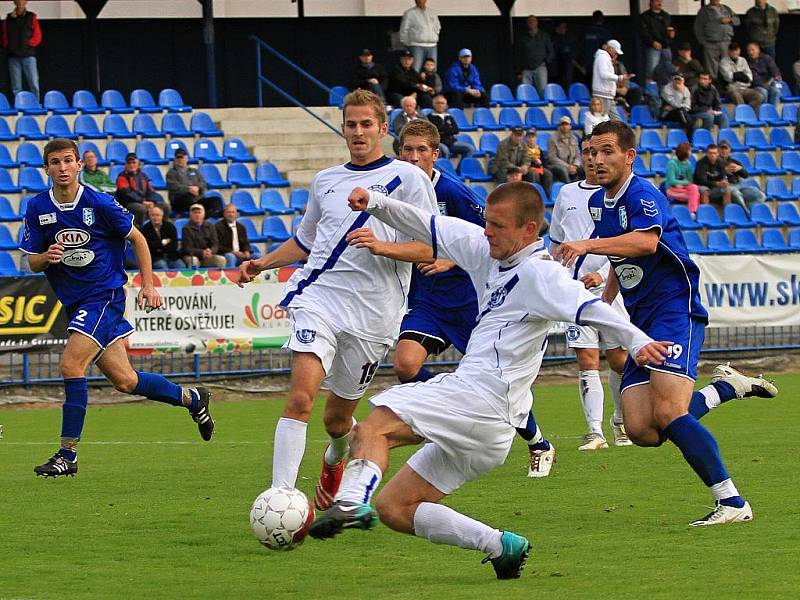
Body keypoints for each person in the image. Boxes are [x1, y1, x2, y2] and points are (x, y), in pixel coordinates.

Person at [307, 182, 669, 577]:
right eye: (487, 223)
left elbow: (590, 309)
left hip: (481, 397)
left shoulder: (540, 274)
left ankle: (349, 501)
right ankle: (501, 546)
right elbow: (429, 224)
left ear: (529, 230)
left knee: (373, 427)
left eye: (497, 225)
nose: (487, 231)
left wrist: (639, 342)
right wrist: (375, 202)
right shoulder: (486, 250)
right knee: (396, 508)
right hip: (492, 428)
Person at [554, 119, 778, 526]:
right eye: (592, 151)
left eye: (607, 151)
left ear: (629, 156)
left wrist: (586, 244)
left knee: (671, 413)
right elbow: (623, 262)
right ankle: (725, 389)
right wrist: (603, 304)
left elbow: (646, 242)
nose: (597, 160)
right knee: (643, 430)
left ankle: (732, 502)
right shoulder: (596, 204)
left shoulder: (642, 194)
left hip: (675, 310)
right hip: (641, 320)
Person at [236, 89, 438, 512]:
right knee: (301, 397)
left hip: (374, 315)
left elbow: (430, 247)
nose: (359, 132)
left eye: (367, 124)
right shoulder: (326, 181)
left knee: (336, 420)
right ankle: (283, 499)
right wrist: (264, 263)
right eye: (351, 124)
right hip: (320, 299)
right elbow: (306, 241)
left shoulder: (409, 178)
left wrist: (384, 247)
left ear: (383, 128)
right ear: (343, 128)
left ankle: (334, 458)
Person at [19, 139, 214, 477]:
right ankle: (192, 398)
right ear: (46, 168)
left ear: (80, 165)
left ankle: (68, 454)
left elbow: (138, 239)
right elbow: (31, 262)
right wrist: (43, 257)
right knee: (125, 380)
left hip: (104, 296)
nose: (62, 168)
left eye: (68, 161)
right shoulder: (38, 208)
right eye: (55, 162)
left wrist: (149, 284)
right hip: (77, 302)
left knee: (69, 365)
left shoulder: (100, 203)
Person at [549, 135, 632, 450]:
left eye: (596, 152)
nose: (591, 158)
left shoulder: (618, 194)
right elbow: (557, 241)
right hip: (576, 292)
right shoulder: (566, 193)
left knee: (620, 361)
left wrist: (603, 274)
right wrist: (561, 275)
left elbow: (628, 244)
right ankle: (595, 432)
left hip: (612, 286)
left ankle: (619, 422)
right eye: (586, 152)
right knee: (586, 359)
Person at [165, 147, 222, 217]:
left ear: (186, 158)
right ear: (175, 159)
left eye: (182, 157)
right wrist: (188, 189)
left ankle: (206, 215)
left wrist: (198, 188)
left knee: (216, 200)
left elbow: (203, 183)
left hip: (197, 199)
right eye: (178, 158)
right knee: (188, 198)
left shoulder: (194, 171)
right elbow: (174, 186)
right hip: (180, 201)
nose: (180, 160)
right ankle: (203, 215)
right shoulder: (171, 173)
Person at [2, 0, 41, 101]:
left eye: (22, 2)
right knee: (16, 86)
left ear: (26, 3)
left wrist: (28, 45)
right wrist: (9, 46)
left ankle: (36, 104)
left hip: (28, 55)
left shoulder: (31, 16)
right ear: (15, 3)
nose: (20, 4)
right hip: (13, 56)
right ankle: (19, 104)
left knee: (33, 83)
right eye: (18, 2)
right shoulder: (9, 18)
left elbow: (37, 35)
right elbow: (5, 35)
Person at [115, 152, 167, 228]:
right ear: (125, 165)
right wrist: (143, 202)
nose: (131, 165)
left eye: (134, 162)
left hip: (144, 202)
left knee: (165, 206)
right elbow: (126, 194)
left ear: (138, 163)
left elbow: (151, 191)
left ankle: (163, 229)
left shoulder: (143, 176)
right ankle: (141, 230)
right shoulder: (121, 177)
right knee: (141, 209)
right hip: (128, 204)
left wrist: (153, 202)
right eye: (129, 163)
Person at [694, 0, 739, 80]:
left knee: (726, 65)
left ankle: (726, 84)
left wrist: (729, 20)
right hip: (711, 43)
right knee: (712, 67)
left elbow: (737, 21)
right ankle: (713, 85)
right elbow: (698, 27)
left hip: (726, 42)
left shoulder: (726, 8)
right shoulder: (704, 11)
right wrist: (703, 42)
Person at [718, 140, 766, 213]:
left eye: (726, 148)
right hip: (726, 187)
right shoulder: (715, 162)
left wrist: (740, 169)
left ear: (729, 150)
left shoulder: (734, 161)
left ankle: (753, 210)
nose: (724, 151)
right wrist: (724, 170)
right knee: (735, 193)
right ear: (718, 149)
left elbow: (745, 175)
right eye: (722, 148)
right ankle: (746, 213)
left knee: (761, 195)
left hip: (739, 186)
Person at [399, 0, 441, 72]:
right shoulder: (409, 13)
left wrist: (434, 36)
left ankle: (431, 83)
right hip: (416, 45)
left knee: (432, 70)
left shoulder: (432, 13)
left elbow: (438, 27)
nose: (420, 1)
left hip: (432, 45)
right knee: (415, 69)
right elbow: (404, 29)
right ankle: (415, 83)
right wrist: (406, 43)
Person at [592, 40, 628, 122]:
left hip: (607, 94)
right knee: (599, 120)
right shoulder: (603, 57)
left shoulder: (605, 58)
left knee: (615, 120)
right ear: (611, 49)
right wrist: (619, 78)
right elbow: (603, 74)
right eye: (615, 51)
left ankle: (620, 134)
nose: (616, 54)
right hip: (603, 94)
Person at [427, 94, 472, 160]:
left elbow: (456, 130)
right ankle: (446, 169)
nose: (440, 105)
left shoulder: (449, 116)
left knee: (470, 148)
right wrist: (448, 129)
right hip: (438, 143)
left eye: (442, 103)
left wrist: (443, 130)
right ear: (433, 104)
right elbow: (435, 131)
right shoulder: (429, 117)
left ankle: (460, 169)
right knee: (445, 150)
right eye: (438, 103)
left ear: (446, 105)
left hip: (451, 142)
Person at [719, 42, 763, 109]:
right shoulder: (724, 62)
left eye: (736, 50)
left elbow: (750, 77)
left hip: (744, 88)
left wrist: (739, 76)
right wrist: (741, 75)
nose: (734, 52)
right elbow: (729, 77)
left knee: (759, 96)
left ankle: (747, 111)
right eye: (732, 50)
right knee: (736, 94)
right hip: (732, 88)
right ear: (729, 51)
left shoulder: (743, 60)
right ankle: (743, 113)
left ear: (739, 51)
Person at [517, 14, 554, 95]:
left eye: (533, 21)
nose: (531, 23)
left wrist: (545, 61)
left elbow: (551, 52)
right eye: (529, 22)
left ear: (537, 23)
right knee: (526, 92)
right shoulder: (523, 37)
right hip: (526, 69)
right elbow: (518, 54)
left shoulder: (544, 36)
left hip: (540, 67)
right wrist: (519, 70)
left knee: (542, 91)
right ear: (527, 23)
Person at [180, 203, 226, 268]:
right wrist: (202, 252)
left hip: (208, 255)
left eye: (199, 212)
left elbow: (215, 243)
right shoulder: (186, 228)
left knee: (221, 260)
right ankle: (193, 278)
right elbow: (187, 248)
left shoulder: (210, 226)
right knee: (194, 261)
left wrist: (211, 251)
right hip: (192, 255)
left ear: (203, 214)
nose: (197, 215)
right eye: (195, 213)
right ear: (190, 215)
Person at [640, 0, 675, 82]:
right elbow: (643, 33)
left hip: (666, 46)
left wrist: (671, 35)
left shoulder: (666, 15)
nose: (659, 3)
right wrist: (652, 42)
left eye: (660, 1)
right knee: (652, 71)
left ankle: (666, 92)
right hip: (653, 47)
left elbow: (671, 28)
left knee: (667, 70)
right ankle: (651, 92)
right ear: (651, 2)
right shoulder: (645, 16)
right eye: (657, 1)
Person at [665, 142, 703, 216]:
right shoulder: (672, 163)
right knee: (696, 196)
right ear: (685, 151)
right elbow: (671, 181)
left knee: (694, 187)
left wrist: (682, 184)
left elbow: (690, 181)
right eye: (690, 150)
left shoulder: (688, 164)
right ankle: (692, 213)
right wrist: (684, 183)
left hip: (683, 188)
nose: (691, 153)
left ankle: (692, 212)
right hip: (671, 190)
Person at [141, 204, 184, 269]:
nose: (155, 217)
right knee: (162, 266)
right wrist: (163, 242)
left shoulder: (170, 226)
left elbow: (174, 245)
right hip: (156, 258)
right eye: (153, 215)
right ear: (149, 216)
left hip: (171, 256)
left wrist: (158, 247)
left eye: (157, 215)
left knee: (181, 266)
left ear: (162, 216)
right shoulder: (145, 229)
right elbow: (149, 246)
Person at [694, 143, 733, 208]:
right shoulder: (701, 163)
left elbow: (723, 175)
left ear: (718, 154)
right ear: (706, 153)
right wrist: (716, 183)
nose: (712, 155)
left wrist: (724, 181)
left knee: (726, 189)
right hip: (701, 185)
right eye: (710, 153)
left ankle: (728, 214)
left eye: (714, 153)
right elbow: (702, 181)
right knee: (705, 191)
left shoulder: (721, 162)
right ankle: (706, 214)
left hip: (715, 186)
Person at [547, 116, 583, 183]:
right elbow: (552, 158)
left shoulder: (574, 139)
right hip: (558, 166)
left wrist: (575, 165)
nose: (565, 126)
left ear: (570, 126)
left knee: (583, 168)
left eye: (566, 124)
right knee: (563, 170)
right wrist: (568, 166)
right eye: (562, 124)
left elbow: (578, 155)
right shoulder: (552, 139)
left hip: (573, 165)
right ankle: (568, 188)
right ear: (559, 126)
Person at [215, 203, 252, 267]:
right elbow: (218, 246)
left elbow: (246, 242)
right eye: (228, 212)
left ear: (236, 214)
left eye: (233, 212)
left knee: (257, 256)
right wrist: (232, 252)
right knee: (230, 256)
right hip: (226, 254)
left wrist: (246, 251)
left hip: (241, 254)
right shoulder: (217, 227)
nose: (231, 214)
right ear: (224, 214)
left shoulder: (241, 227)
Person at [523, 128, 554, 195]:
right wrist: (532, 161)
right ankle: (535, 194)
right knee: (534, 174)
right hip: (529, 169)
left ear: (536, 138)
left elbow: (543, 161)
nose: (531, 139)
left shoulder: (538, 148)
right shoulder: (523, 148)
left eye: (533, 137)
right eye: (529, 137)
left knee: (548, 173)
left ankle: (546, 194)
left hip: (538, 168)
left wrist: (541, 165)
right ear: (526, 138)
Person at [583, 10, 613, 75]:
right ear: (602, 19)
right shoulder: (605, 32)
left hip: (587, 63)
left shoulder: (586, 32)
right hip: (601, 64)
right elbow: (609, 48)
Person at [551, 21, 579, 88]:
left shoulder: (568, 40)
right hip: (554, 71)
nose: (564, 29)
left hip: (566, 72)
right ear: (557, 28)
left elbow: (571, 56)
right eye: (562, 27)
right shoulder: (552, 39)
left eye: (565, 27)